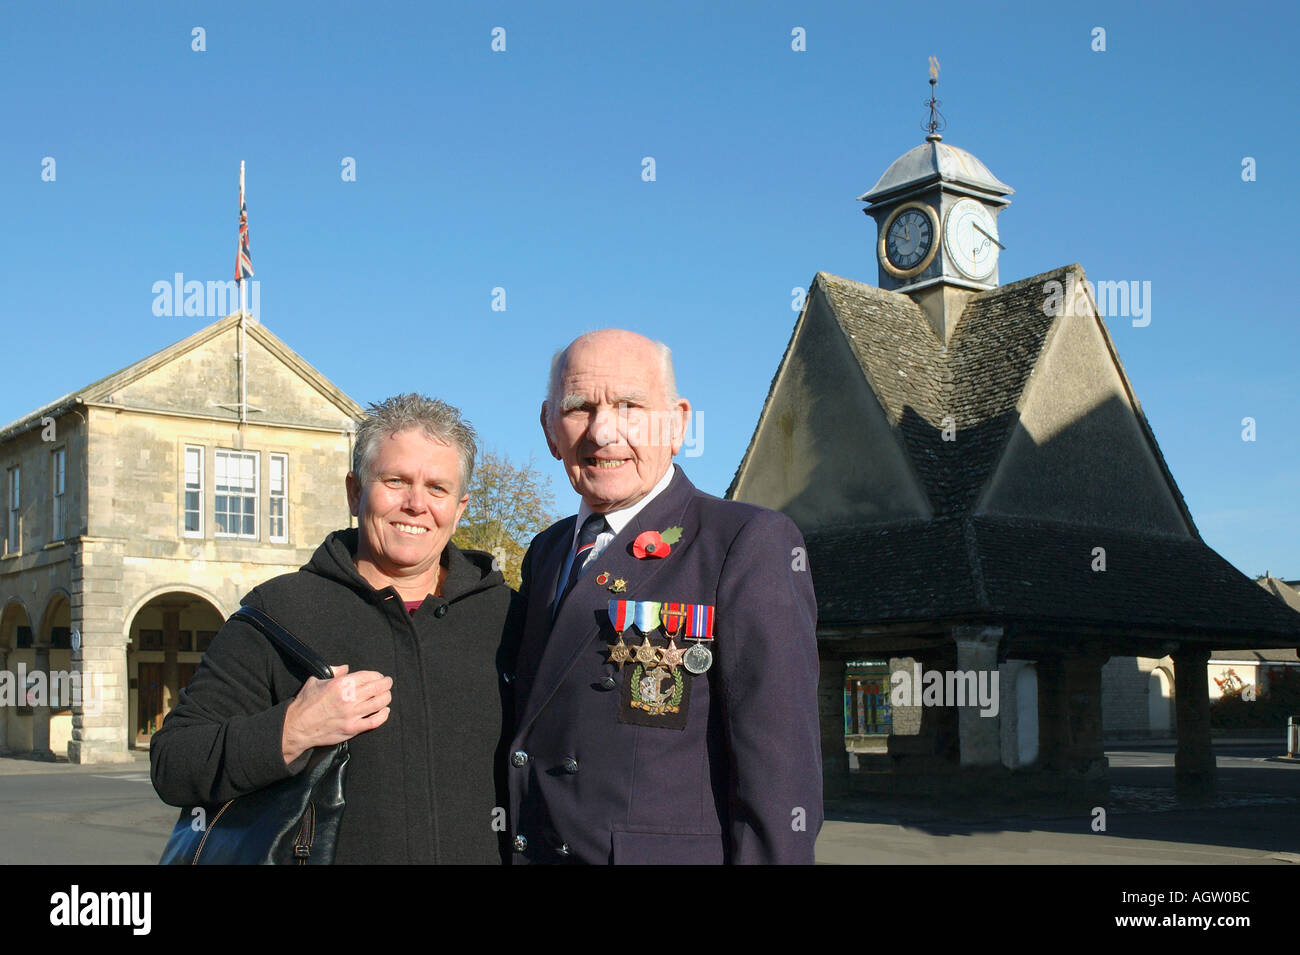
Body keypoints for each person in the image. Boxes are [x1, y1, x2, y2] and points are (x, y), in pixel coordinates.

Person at [150, 394, 513, 864]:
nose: (415, 504)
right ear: (354, 492)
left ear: (460, 506)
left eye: (437, 488)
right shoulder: (279, 612)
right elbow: (174, 764)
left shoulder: (511, 619)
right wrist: (292, 731)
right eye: (395, 481)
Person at [505, 329, 822, 864]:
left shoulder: (745, 543)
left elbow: (780, 774)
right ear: (549, 428)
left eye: (630, 406)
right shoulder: (547, 552)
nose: (604, 432)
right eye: (581, 407)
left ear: (676, 423)